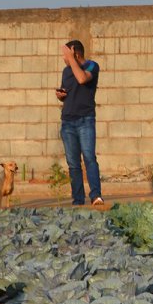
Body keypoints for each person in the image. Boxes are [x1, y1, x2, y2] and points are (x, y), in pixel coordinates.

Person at [55, 39, 103, 206]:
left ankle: (96, 195)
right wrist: (61, 96)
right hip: (67, 122)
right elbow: (69, 91)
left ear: (74, 52)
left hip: (85, 120)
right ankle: (78, 200)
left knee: (89, 157)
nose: (64, 58)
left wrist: (72, 59)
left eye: (65, 54)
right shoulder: (66, 71)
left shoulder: (92, 66)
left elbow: (82, 79)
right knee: (73, 163)